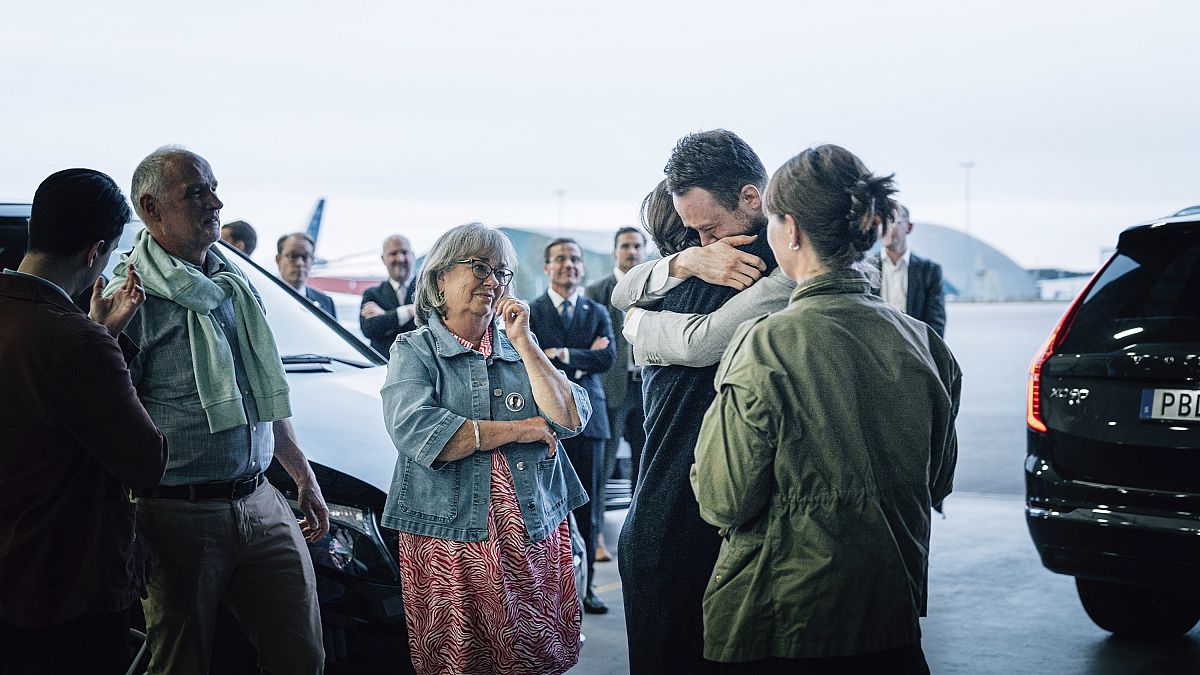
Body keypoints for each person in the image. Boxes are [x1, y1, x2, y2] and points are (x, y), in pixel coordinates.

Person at [691, 144, 961, 674]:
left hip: (783, 623)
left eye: (770, 219)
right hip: (891, 620)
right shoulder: (926, 345)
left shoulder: (765, 344)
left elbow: (723, 499)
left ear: (790, 230)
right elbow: (938, 483)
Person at [116, 146, 329, 675]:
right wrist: (127, 523)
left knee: (302, 655)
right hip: (174, 516)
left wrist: (302, 476)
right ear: (151, 207)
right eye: (196, 192)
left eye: (212, 187)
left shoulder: (234, 283)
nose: (216, 201)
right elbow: (107, 427)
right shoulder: (128, 297)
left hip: (261, 500)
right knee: (179, 664)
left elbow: (263, 388)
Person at [381, 222, 590, 675]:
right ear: (440, 278)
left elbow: (571, 418)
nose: (494, 282)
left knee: (537, 657)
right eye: (479, 267)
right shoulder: (414, 350)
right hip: (449, 540)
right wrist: (520, 430)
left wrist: (526, 344)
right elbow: (420, 433)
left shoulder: (519, 348)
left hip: (532, 534)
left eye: (502, 272)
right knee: (463, 660)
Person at [616, 129, 778, 674]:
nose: (705, 243)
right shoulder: (698, 270)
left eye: (708, 229)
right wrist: (686, 264)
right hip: (700, 527)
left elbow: (699, 340)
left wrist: (637, 323)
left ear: (752, 199)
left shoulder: (765, 275)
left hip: (671, 526)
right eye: (693, 235)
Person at [0, 169, 167, 675]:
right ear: (96, 251)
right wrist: (104, 342)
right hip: (60, 584)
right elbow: (146, 462)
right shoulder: (75, 341)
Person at [530, 237, 616, 614]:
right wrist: (583, 360)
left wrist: (558, 355)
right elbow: (530, 360)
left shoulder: (597, 311)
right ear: (547, 267)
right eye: (561, 259)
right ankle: (548, 592)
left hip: (590, 422)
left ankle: (587, 590)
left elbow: (609, 358)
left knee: (590, 507)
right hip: (544, 422)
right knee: (547, 509)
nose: (570, 265)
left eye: (576, 259)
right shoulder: (531, 312)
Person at [584, 226, 648, 563]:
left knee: (646, 468)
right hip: (611, 391)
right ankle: (596, 539)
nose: (632, 252)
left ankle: (641, 538)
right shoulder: (597, 292)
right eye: (625, 246)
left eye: (637, 246)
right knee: (603, 470)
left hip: (647, 389)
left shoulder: (654, 288)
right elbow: (591, 341)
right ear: (614, 251)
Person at [866, 204, 947, 337]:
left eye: (893, 221)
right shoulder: (866, 269)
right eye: (882, 222)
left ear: (909, 227)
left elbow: (936, 323)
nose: (886, 228)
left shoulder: (929, 271)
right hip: (875, 349)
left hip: (914, 348)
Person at [360, 234, 417, 355]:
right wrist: (409, 311)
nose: (400, 258)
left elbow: (434, 323)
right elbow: (369, 329)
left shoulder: (428, 289)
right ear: (383, 258)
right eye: (393, 253)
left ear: (412, 255)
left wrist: (386, 316)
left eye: (404, 252)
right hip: (383, 366)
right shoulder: (372, 294)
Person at [276, 231, 336, 317]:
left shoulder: (326, 303)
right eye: (292, 256)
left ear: (312, 261)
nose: (300, 263)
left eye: (306, 257)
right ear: (278, 260)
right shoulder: (263, 297)